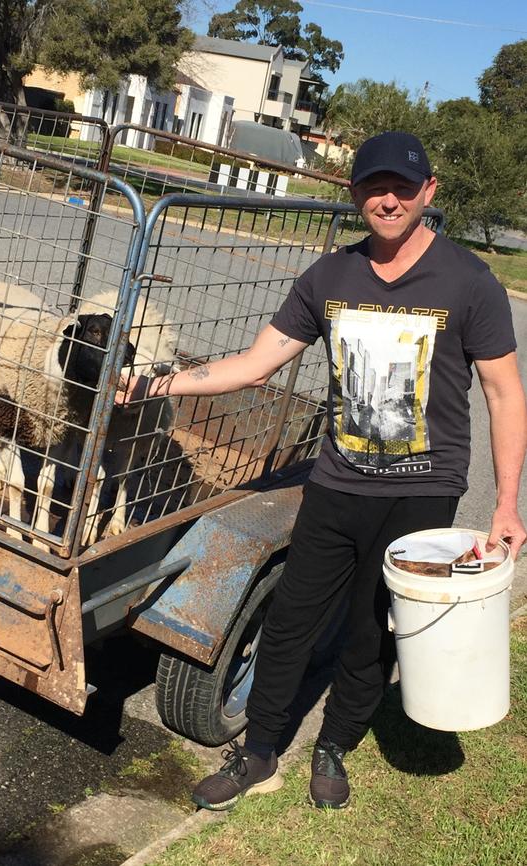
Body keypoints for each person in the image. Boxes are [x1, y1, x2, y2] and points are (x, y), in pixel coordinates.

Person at [118, 131, 527, 810]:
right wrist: (157, 386)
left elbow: (505, 393)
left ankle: (334, 744)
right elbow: (254, 364)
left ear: (429, 192)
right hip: (336, 484)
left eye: (402, 187)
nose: (388, 200)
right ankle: (258, 753)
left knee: (371, 630)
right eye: (374, 186)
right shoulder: (330, 278)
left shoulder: (468, 282)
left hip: (423, 491)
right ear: (355, 193)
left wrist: (507, 501)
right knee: (290, 622)